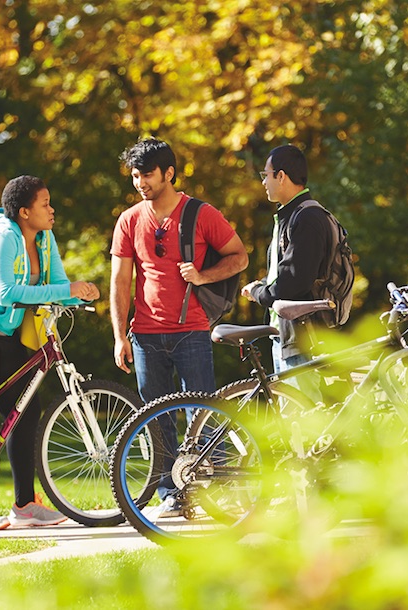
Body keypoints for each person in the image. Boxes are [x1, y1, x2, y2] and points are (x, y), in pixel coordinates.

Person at [110, 138, 247, 518]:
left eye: (147, 174)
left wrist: (203, 276)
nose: (140, 183)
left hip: (192, 330)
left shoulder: (200, 214)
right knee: (156, 420)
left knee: (202, 414)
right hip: (145, 335)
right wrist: (120, 335)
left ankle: (219, 488)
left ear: (169, 173)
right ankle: (172, 493)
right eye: (136, 176)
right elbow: (120, 281)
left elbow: (240, 256)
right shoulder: (129, 220)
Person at [0, 176, 101, 531]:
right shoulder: (2, 239)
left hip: (7, 329)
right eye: (45, 204)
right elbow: (5, 292)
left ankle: (24, 504)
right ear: (24, 212)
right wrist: (68, 289)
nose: (52, 210)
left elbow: (56, 283)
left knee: (26, 408)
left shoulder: (44, 238)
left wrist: (77, 294)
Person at [242, 144, 335, 373]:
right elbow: (286, 273)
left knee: (305, 408)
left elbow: (293, 283)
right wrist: (263, 286)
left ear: (281, 176)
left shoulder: (307, 218)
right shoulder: (291, 215)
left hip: (304, 338)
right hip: (287, 336)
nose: (263, 182)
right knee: (292, 407)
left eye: (266, 175)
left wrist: (258, 293)